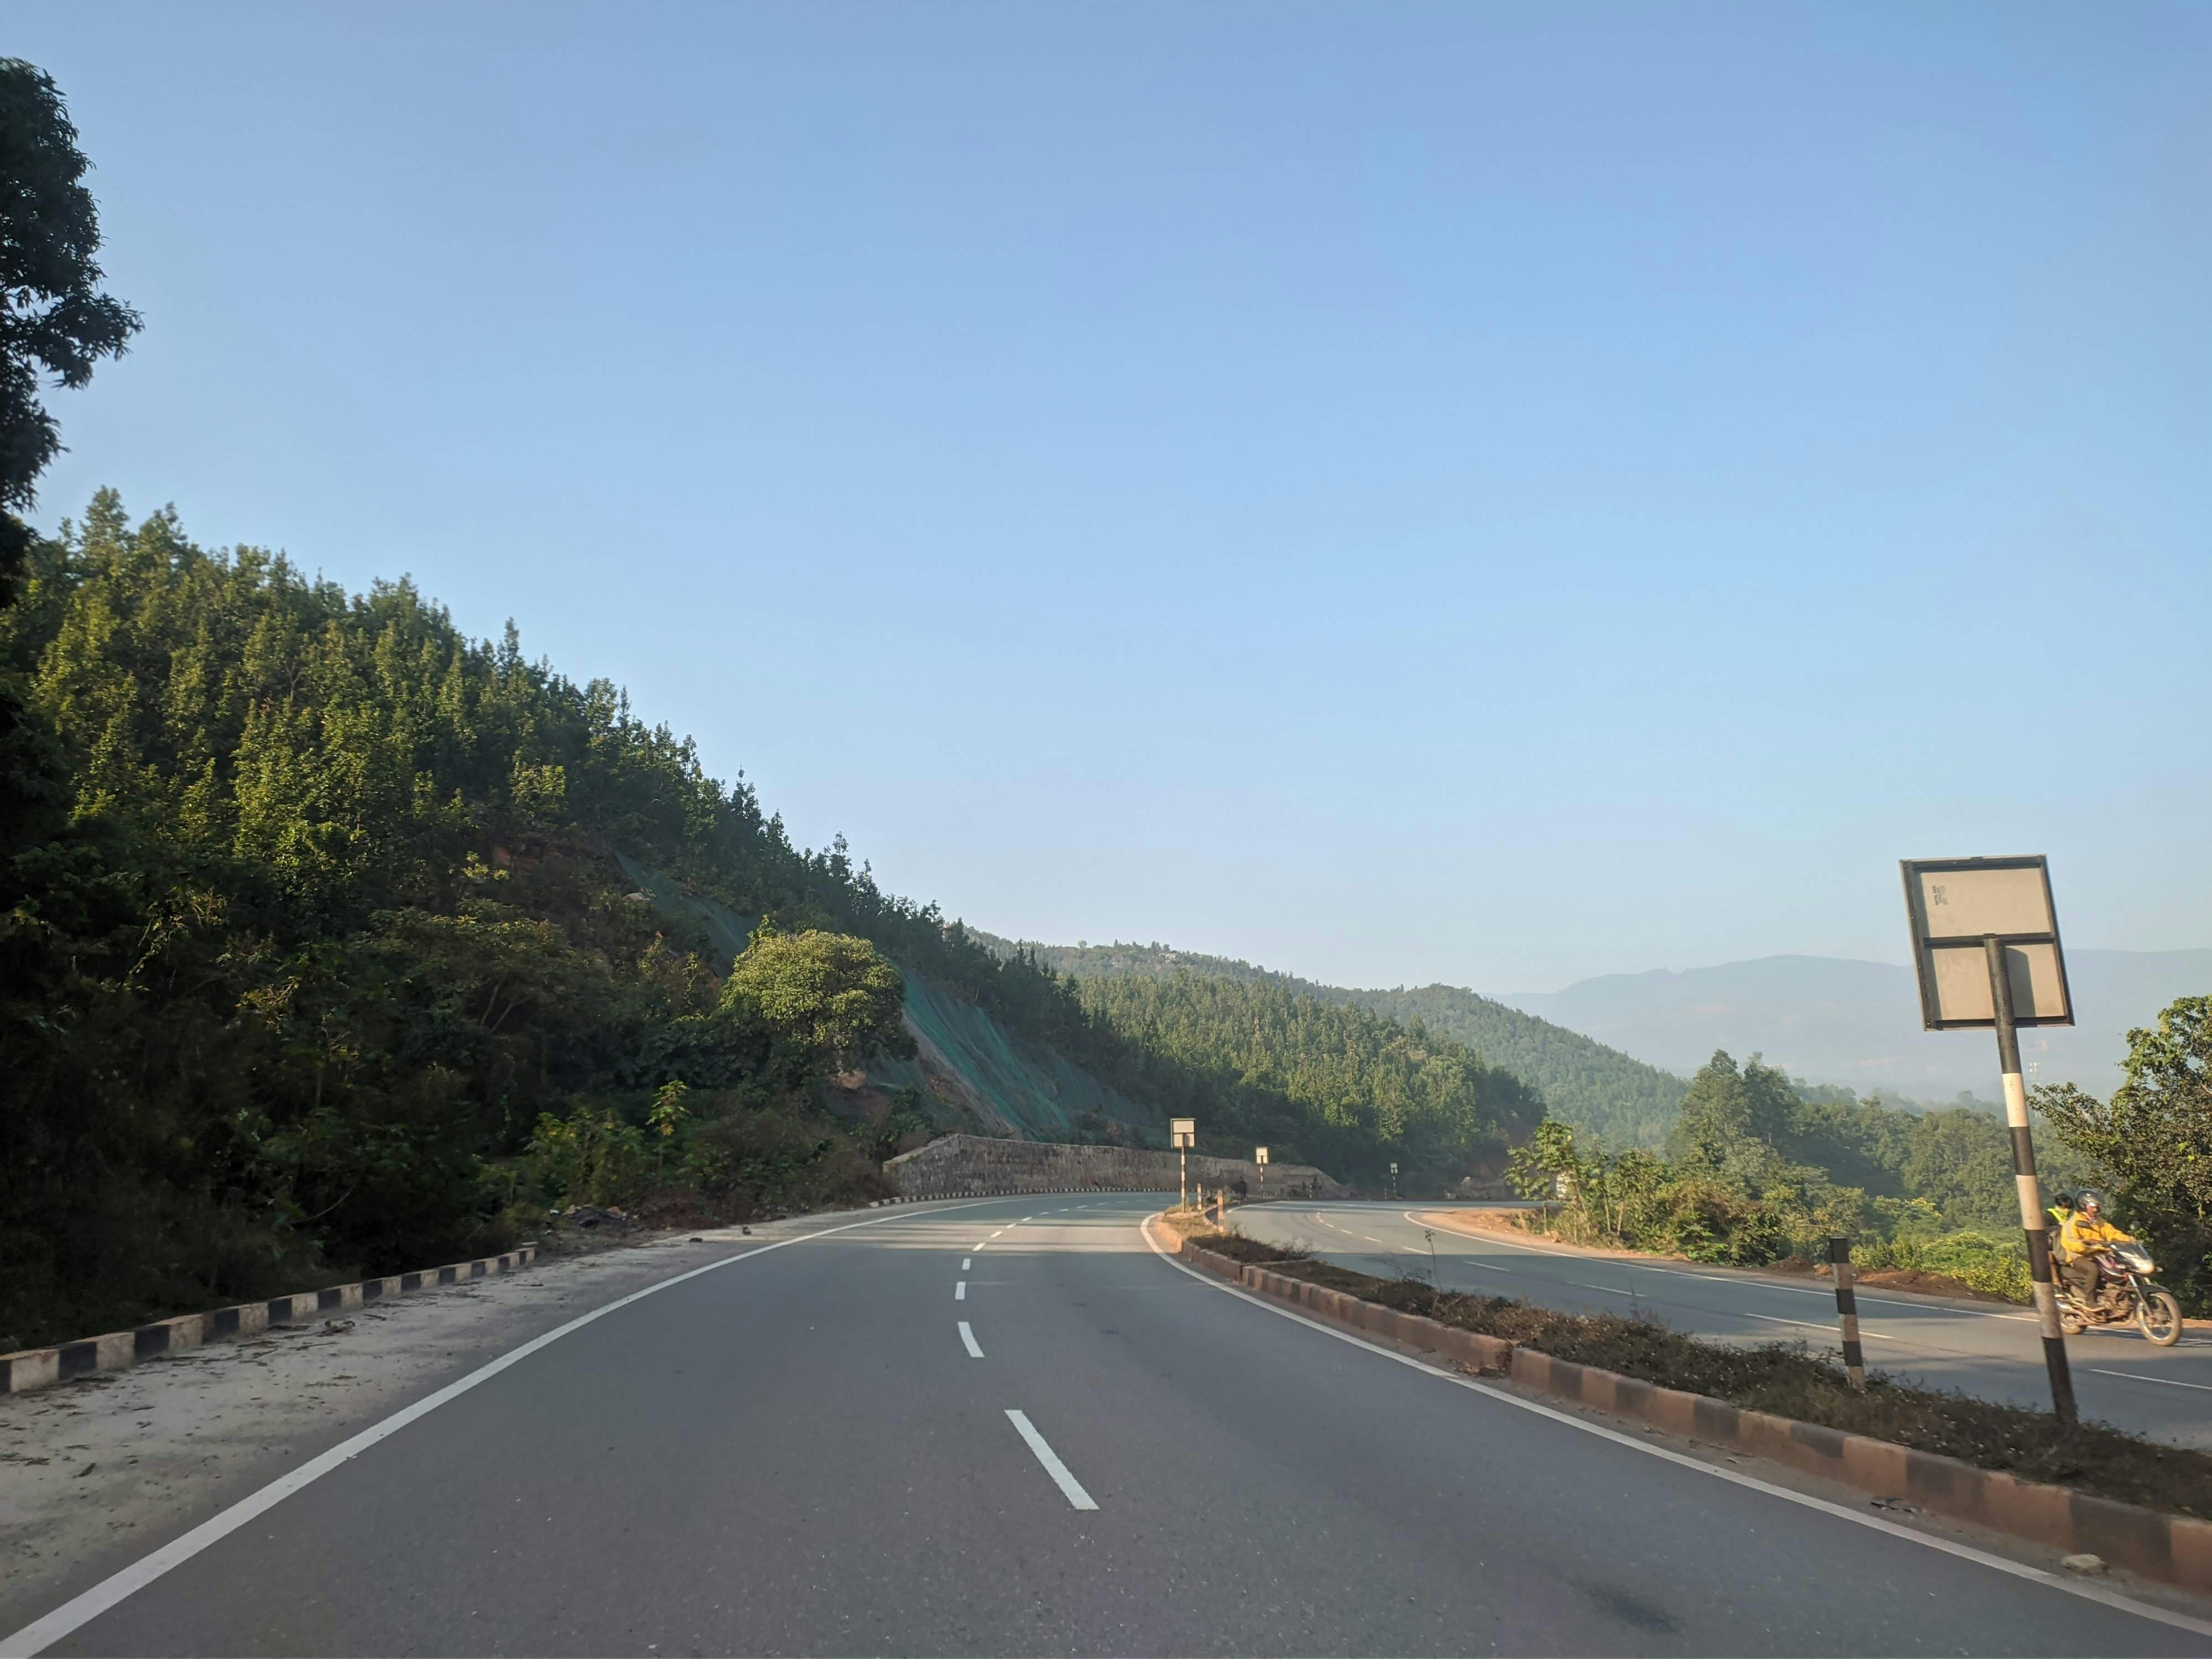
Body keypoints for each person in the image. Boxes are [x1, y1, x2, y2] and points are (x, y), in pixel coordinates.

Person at [2057, 1192, 2135, 1307]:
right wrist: (2085, 1246)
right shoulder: (2073, 1223)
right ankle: (2090, 1301)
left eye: (2097, 1207)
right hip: (2079, 1256)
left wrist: (2128, 1240)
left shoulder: (2099, 1221)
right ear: (2084, 1206)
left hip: (2101, 1253)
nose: (2096, 1210)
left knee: (2125, 1266)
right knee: (2093, 1269)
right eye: (2093, 1207)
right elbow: (2069, 1242)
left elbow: (2112, 1233)